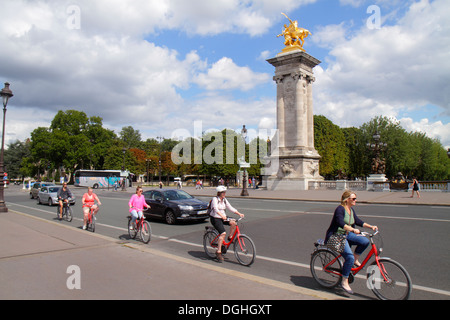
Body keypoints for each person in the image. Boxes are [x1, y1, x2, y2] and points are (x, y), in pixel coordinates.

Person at [325, 190, 378, 294]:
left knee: (364, 241)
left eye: (355, 198)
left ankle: (354, 260)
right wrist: (353, 229)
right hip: (336, 236)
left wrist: (371, 226)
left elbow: (358, 221)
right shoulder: (340, 209)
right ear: (346, 200)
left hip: (347, 235)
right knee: (349, 257)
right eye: (353, 199)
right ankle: (344, 281)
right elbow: (340, 222)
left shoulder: (351, 209)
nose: (355, 200)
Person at [209, 186, 245, 262]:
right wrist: (221, 215)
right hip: (215, 218)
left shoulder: (224, 200)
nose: (224, 194)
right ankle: (218, 252)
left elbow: (230, 207)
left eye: (225, 192)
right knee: (223, 233)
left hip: (223, 217)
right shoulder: (215, 199)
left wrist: (239, 213)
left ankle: (230, 237)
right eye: (223, 192)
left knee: (233, 223)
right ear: (219, 193)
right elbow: (215, 209)